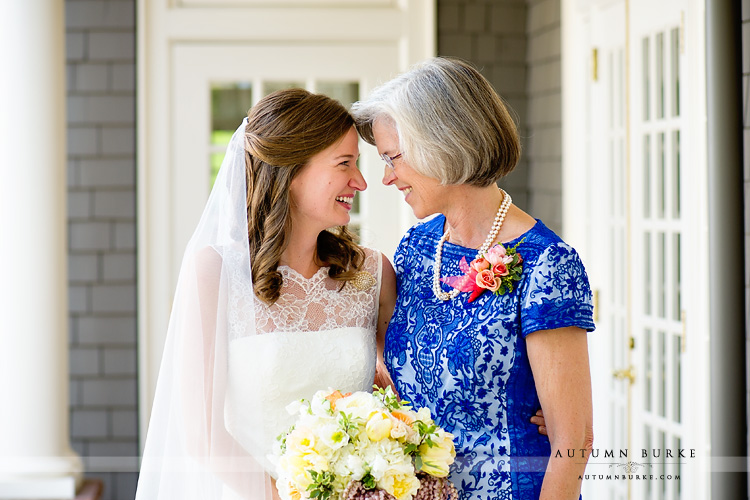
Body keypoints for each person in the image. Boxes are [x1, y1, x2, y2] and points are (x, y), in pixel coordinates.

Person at [351, 57, 595, 500]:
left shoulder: (546, 263)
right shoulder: (417, 248)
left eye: (394, 158)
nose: (386, 177)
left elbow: (573, 443)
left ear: (440, 144)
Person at [135, 89, 397, 500]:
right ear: (291, 171)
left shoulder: (372, 274)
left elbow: (408, 391)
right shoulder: (215, 273)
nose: (361, 182)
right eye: (344, 163)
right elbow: (201, 432)